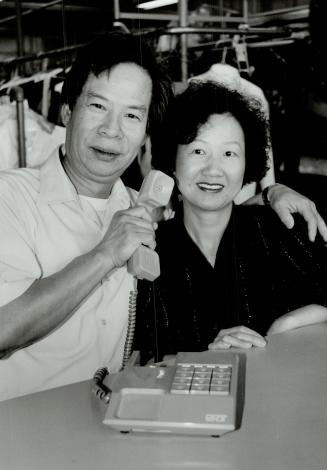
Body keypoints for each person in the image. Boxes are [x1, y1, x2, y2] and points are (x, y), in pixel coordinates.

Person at [0, 32, 325, 401]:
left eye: (132, 115)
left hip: (113, 422)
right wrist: (105, 254)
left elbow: (208, 204)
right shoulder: (9, 198)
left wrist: (269, 193)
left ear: (144, 133)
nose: (112, 129)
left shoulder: (146, 211)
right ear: (67, 110)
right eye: (98, 106)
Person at [135, 81, 327, 364]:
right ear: (173, 163)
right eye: (198, 151)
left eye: (229, 154)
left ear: (247, 162)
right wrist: (206, 357)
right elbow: (145, 360)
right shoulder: (151, 251)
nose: (213, 170)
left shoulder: (282, 229)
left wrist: (284, 328)